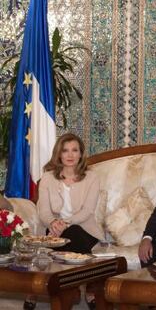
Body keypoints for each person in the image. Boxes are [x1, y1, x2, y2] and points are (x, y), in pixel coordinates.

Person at [32, 133, 104, 310]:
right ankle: (83, 287)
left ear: (81, 154)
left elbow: (87, 211)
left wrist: (65, 223)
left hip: (84, 230)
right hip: (53, 229)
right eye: (65, 151)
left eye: (74, 150)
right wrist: (52, 223)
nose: (70, 155)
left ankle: (49, 290)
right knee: (58, 239)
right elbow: (43, 210)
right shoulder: (48, 178)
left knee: (73, 234)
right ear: (59, 154)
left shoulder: (92, 177)